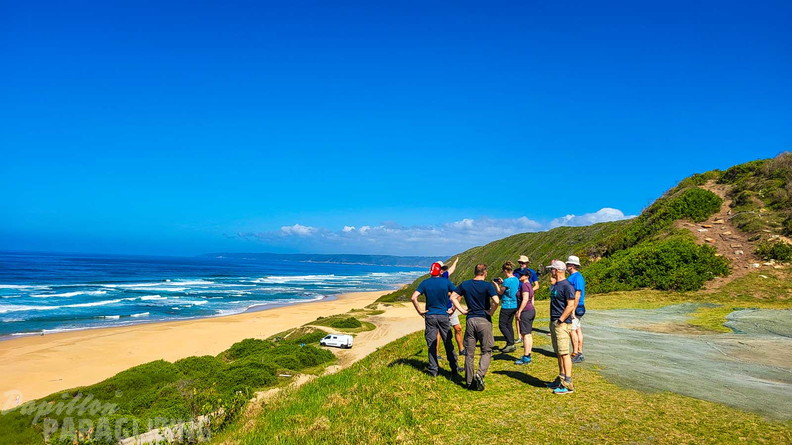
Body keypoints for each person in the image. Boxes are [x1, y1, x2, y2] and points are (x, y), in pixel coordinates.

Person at [450, 264, 499, 391]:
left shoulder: (465, 284)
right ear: (485, 273)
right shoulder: (488, 285)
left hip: (470, 320)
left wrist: (462, 310)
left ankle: (469, 381)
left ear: (475, 272)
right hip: (483, 320)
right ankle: (480, 374)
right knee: (486, 350)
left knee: (469, 353)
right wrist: (491, 312)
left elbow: (453, 297)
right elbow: (496, 301)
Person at [411, 262, 459, 378]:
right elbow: (458, 293)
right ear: (440, 271)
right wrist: (453, 308)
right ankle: (454, 368)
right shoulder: (445, 281)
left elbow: (413, 297)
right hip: (443, 315)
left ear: (430, 271)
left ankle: (433, 370)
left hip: (430, 316)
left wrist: (420, 310)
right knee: (448, 342)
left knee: (431, 343)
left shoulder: (425, 283)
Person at [545, 259, 576, 394]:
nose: (550, 271)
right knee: (558, 352)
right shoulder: (556, 285)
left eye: (552, 269)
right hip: (554, 322)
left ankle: (567, 382)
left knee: (564, 353)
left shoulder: (567, 285)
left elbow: (570, 305)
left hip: (562, 324)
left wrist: (561, 319)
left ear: (557, 271)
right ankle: (561, 377)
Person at [436, 257, 464, 359]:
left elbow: (451, 270)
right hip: (440, 310)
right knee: (438, 332)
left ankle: (461, 349)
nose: (443, 270)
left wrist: (456, 262)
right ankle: (437, 353)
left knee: (458, 328)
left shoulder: (445, 276)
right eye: (441, 268)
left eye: (443, 268)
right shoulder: (434, 280)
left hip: (450, 308)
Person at [493, 261, 519, 353]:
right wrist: (502, 282)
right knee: (509, 324)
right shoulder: (516, 279)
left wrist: (496, 285)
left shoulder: (507, 281)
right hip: (514, 304)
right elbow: (510, 288)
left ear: (505, 270)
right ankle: (510, 343)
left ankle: (510, 342)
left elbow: (500, 292)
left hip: (507, 305)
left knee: (502, 325)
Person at [566, 255, 586, 363]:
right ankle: (579, 352)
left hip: (576, 306)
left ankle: (576, 353)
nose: (566, 265)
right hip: (577, 306)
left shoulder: (577, 277)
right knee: (577, 329)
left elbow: (577, 294)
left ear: (572, 265)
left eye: (568, 264)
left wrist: (572, 309)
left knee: (572, 329)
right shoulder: (574, 277)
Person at [514, 270, 536, 364]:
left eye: (522, 275)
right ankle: (528, 354)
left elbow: (525, 299)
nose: (520, 276)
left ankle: (526, 356)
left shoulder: (524, 286)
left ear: (527, 276)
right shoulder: (529, 285)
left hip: (526, 311)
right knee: (529, 334)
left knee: (525, 335)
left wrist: (519, 311)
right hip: (530, 310)